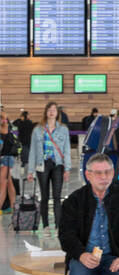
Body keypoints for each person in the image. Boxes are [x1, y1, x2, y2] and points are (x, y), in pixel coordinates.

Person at [27, 101, 71, 239]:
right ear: (46, 112)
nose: (52, 112)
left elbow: (67, 149)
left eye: (54, 110)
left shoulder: (63, 129)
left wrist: (67, 168)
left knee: (57, 197)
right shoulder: (37, 129)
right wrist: (30, 170)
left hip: (58, 164)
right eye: (49, 110)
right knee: (44, 197)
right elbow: (33, 151)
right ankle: (45, 226)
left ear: (57, 113)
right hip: (42, 164)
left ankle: (58, 226)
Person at [0, 110, 19, 215]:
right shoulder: (6, 126)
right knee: (8, 183)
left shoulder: (4, 127)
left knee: (2, 184)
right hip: (6, 158)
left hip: (6, 159)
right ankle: (12, 206)